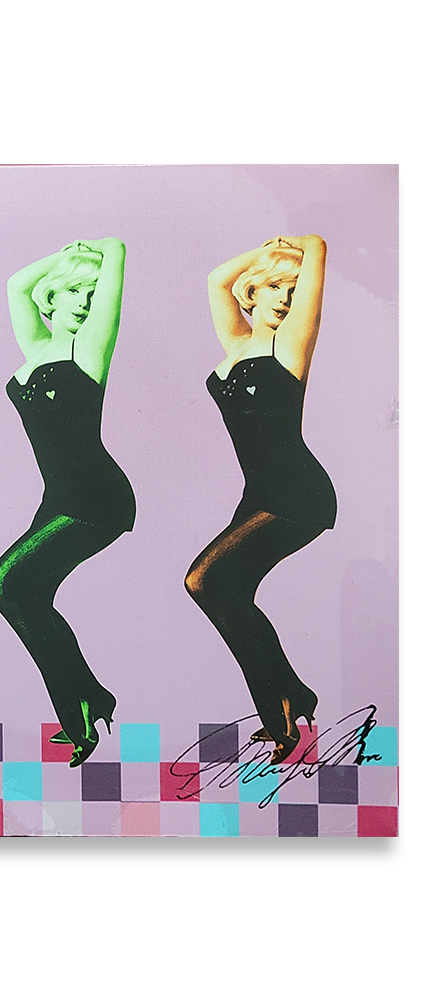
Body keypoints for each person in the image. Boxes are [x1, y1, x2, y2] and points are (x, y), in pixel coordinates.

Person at [185, 236, 336, 764]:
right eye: (275, 285)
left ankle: (283, 708)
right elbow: (216, 280)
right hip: (259, 496)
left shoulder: (291, 344)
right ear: (253, 290)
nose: (286, 298)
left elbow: (317, 247)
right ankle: (288, 700)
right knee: (228, 595)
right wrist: (264, 251)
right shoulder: (237, 342)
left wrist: (298, 247)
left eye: (294, 288)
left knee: (204, 581)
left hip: (296, 494)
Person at [0, 240, 135, 767]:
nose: (86, 302)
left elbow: (116, 254)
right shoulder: (36, 347)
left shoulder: (90, 347)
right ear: (52, 295)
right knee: (30, 599)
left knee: (4, 586)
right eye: (74, 290)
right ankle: (88, 699)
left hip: (95, 497)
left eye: (93, 293)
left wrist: (98, 252)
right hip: (58, 499)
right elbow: (16, 285)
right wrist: (66, 256)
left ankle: (79, 710)